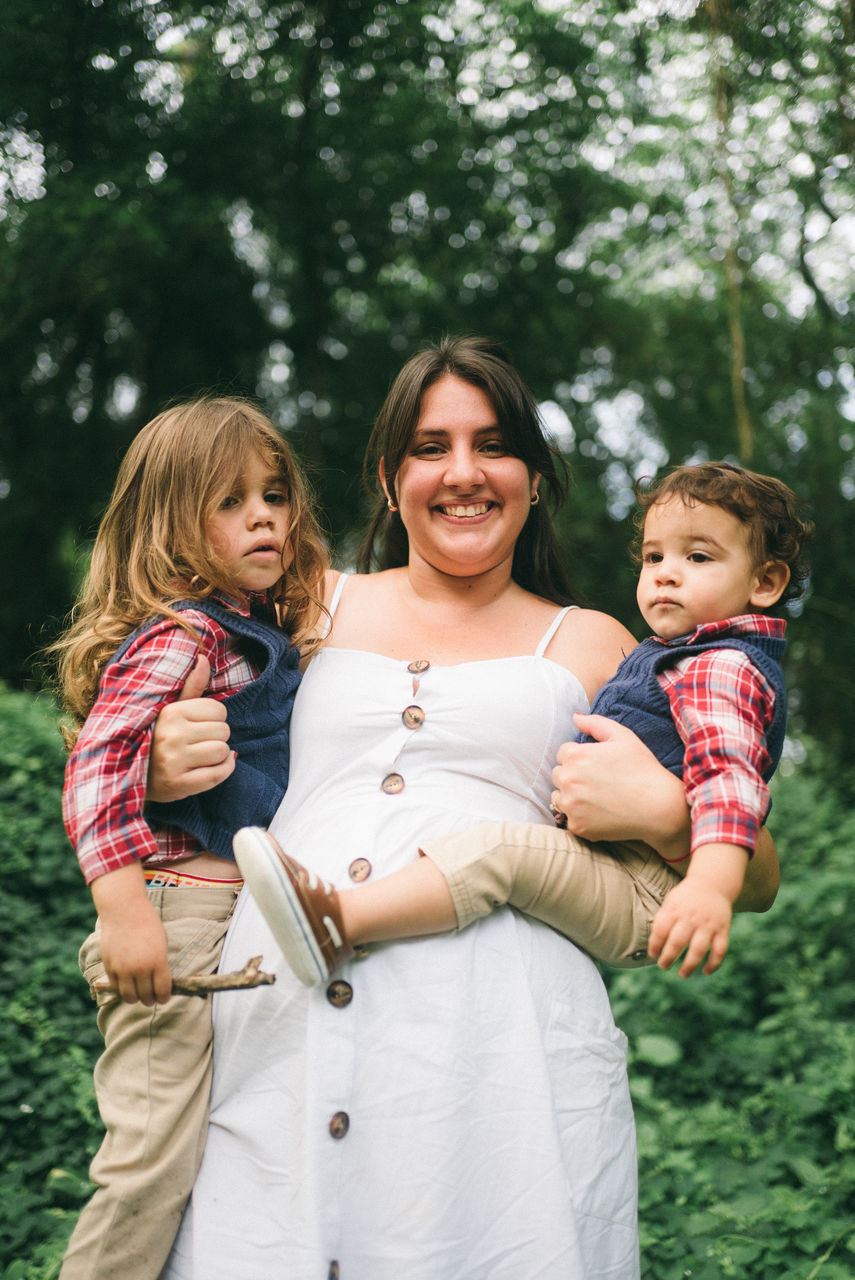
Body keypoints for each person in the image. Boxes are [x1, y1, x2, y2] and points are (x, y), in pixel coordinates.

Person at [149, 339, 780, 1280]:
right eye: (430, 446)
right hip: (275, 1024)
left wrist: (661, 811)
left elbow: (756, 876)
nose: (462, 473)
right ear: (388, 474)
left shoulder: (600, 642)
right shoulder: (301, 605)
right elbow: (140, 729)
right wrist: (159, 765)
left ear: (532, 473)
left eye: (491, 444)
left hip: (501, 1057)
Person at [233, 461, 809, 987]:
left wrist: (696, 865)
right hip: (617, 874)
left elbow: (730, 786)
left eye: (699, 557)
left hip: (642, 887)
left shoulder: (721, 669)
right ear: (387, 478)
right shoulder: (670, 658)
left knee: (497, 853)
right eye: (655, 558)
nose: (666, 575)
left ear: (765, 583)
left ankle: (341, 918)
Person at [52, 398, 327, 1280]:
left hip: (225, 925)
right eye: (230, 500)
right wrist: (123, 907)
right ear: (170, 523)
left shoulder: (260, 634)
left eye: (275, 495)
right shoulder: (181, 637)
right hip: (169, 923)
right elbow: (98, 766)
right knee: (147, 1169)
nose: (264, 517)